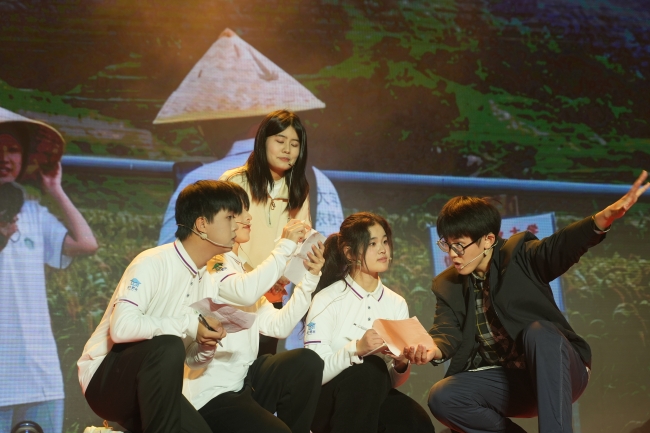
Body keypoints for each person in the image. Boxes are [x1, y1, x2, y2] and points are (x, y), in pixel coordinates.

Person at [403, 171, 650, 433]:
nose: (453, 254)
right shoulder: (447, 284)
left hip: (561, 372)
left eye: (460, 245)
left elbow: (560, 246)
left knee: (538, 332)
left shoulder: (518, 254)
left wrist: (604, 218)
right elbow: (446, 332)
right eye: (447, 245)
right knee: (444, 396)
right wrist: (431, 350)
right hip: (511, 382)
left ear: (488, 240)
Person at [77, 180, 243, 433]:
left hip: (154, 382)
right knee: (168, 345)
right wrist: (190, 324)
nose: (236, 225)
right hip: (104, 380)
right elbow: (121, 328)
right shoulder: (152, 262)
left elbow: (191, 361)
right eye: (229, 217)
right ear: (202, 224)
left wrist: (205, 344)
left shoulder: (207, 278)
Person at [184, 188, 325, 433]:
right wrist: (285, 245)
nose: (249, 218)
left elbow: (279, 326)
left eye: (247, 211)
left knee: (306, 362)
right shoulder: (211, 264)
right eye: (238, 212)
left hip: (244, 382)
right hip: (213, 393)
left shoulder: (242, 270)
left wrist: (310, 278)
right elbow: (245, 292)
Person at [0, 109, 98, 433]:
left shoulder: (33, 211)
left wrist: (55, 188)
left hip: (38, 373)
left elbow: (86, 244)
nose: (5, 158)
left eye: (13, 149)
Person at [304, 212, 436, 433]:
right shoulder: (326, 299)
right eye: (372, 243)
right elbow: (314, 373)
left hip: (372, 397)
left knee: (415, 421)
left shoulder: (396, 303)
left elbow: (390, 381)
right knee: (370, 368)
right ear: (349, 252)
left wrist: (402, 362)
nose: (383, 249)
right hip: (327, 402)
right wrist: (357, 348)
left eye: (385, 241)